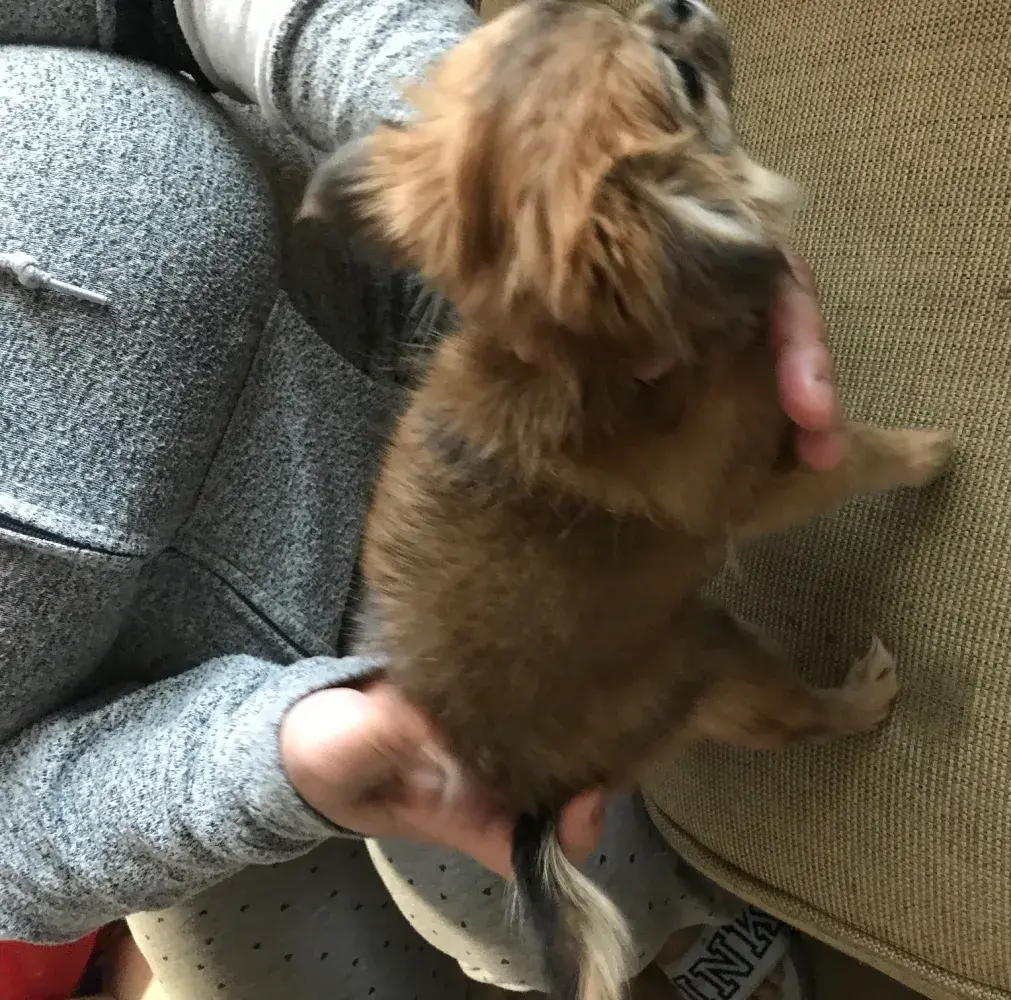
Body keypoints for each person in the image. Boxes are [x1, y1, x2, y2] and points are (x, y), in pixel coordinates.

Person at [0, 0, 846, 997]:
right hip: (227, 699)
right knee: (477, 904)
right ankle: (631, 930)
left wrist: (489, 153)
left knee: (559, 835)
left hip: (435, 298)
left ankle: (672, 920)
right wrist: (264, 766)